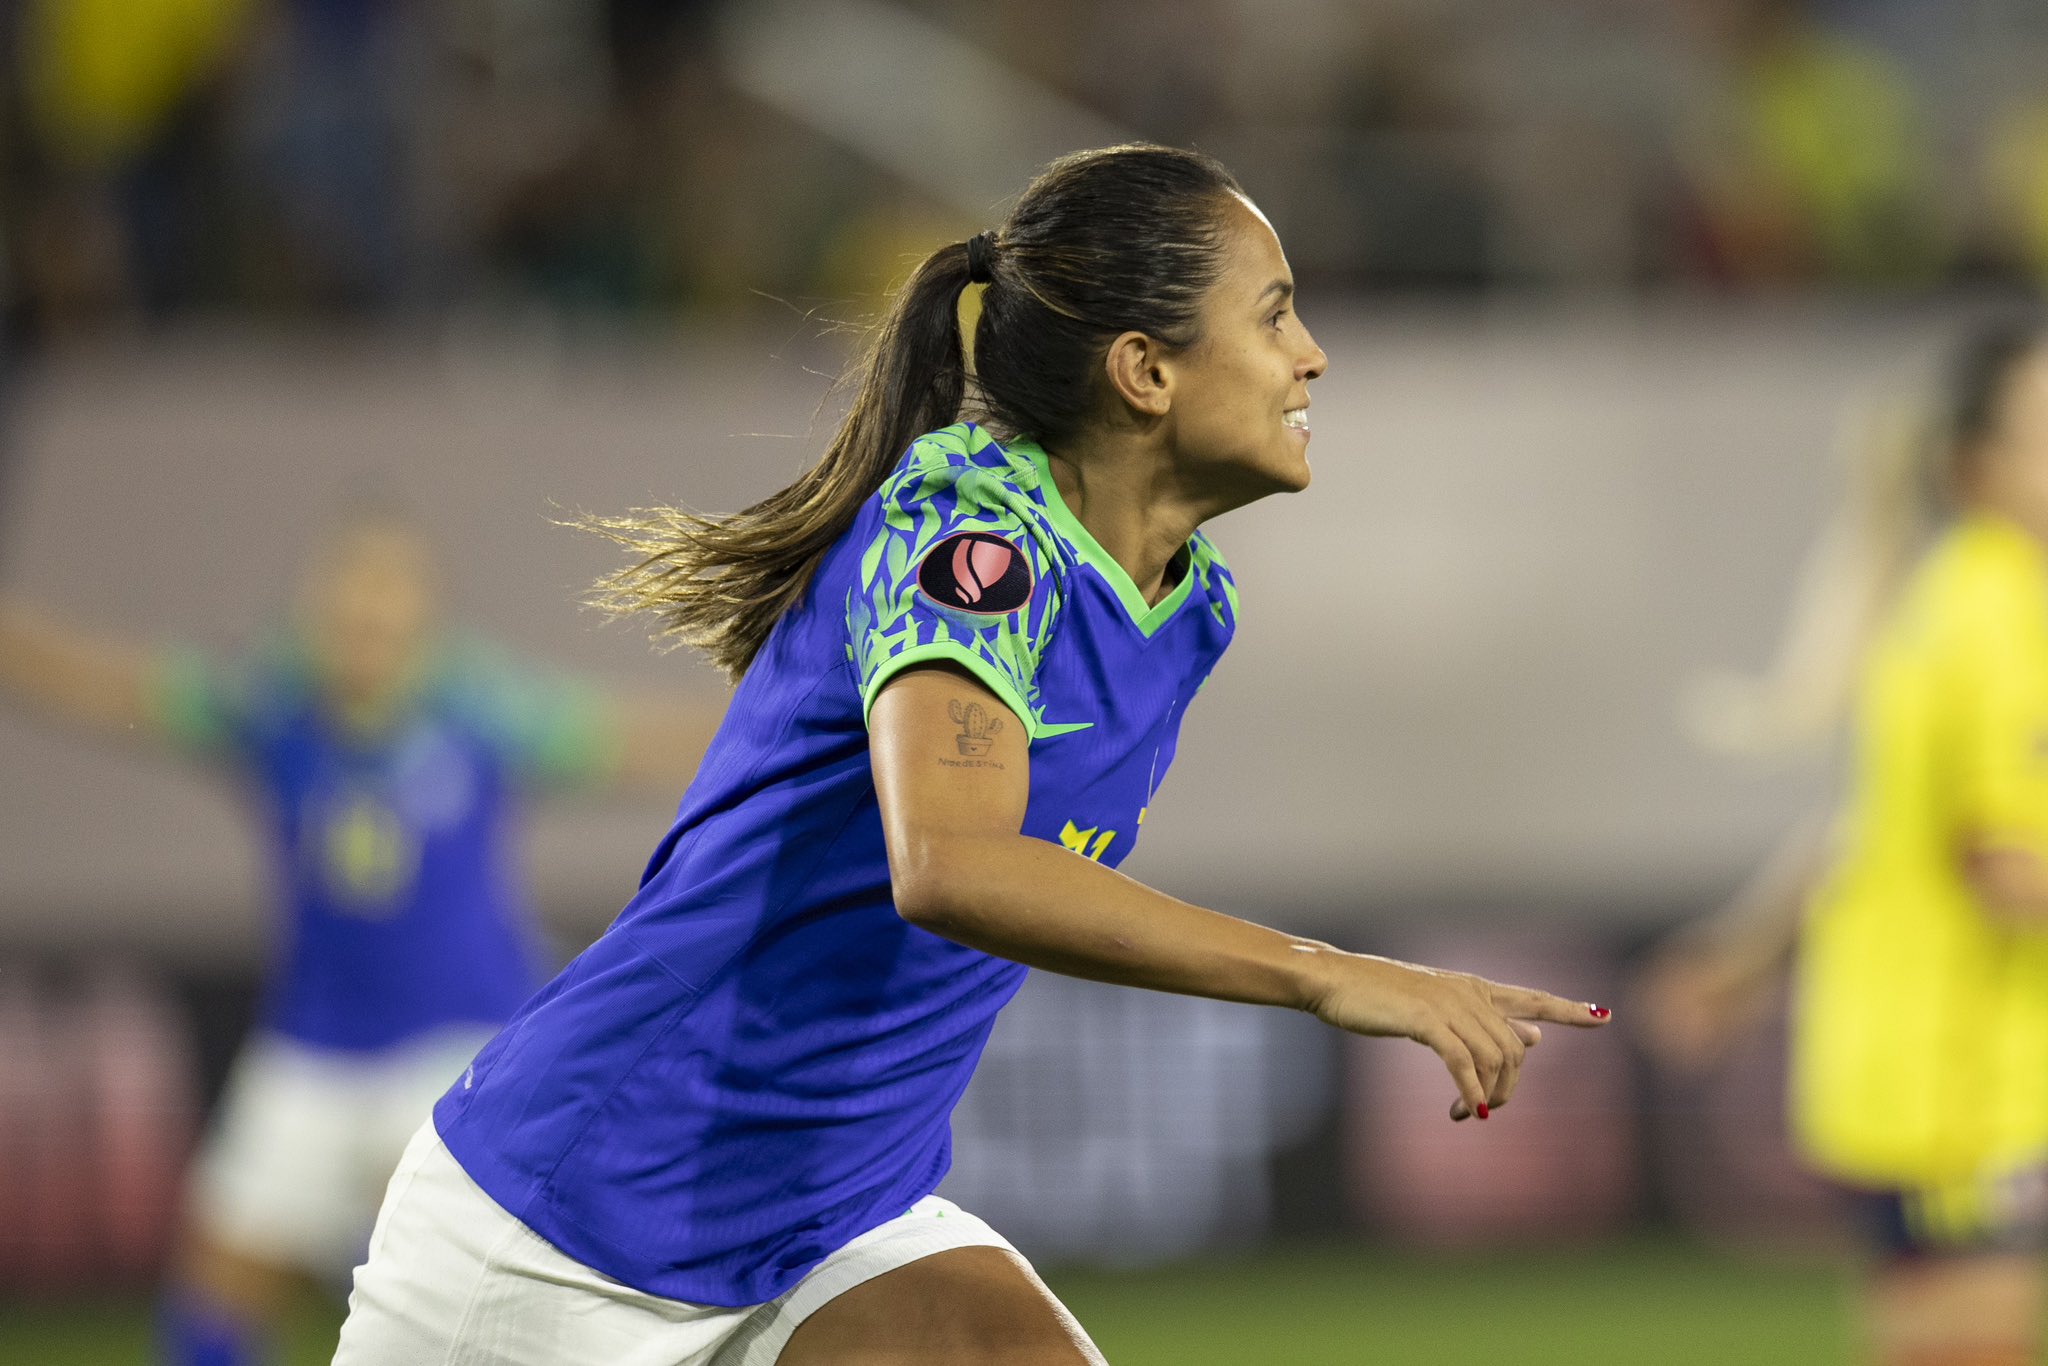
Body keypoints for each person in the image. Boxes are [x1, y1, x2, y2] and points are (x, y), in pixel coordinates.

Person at [332, 143, 1613, 1366]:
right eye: (1273, 315)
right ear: (1144, 370)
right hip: (577, 1225)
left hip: (832, 1220)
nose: (1310, 357)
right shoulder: (968, 542)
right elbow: (949, 866)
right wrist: (1322, 974)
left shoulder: (1186, 605)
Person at [0, 506, 719, 1366]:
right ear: (316, 615)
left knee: (458, 1302)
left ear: (424, 618)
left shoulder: (482, 716)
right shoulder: (271, 708)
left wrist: (790, 722)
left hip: (458, 1055)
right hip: (311, 1053)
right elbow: (114, 686)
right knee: (211, 1307)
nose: (366, 618)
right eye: (348, 596)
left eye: (387, 596)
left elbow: (629, 744)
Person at [1643, 320, 2048, 1366]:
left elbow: (1868, 826)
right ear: (1976, 467)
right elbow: (2009, 870)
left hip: (1896, 1069)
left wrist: (1742, 954)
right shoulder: (2005, 615)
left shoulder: (1945, 594)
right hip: (1968, 1081)